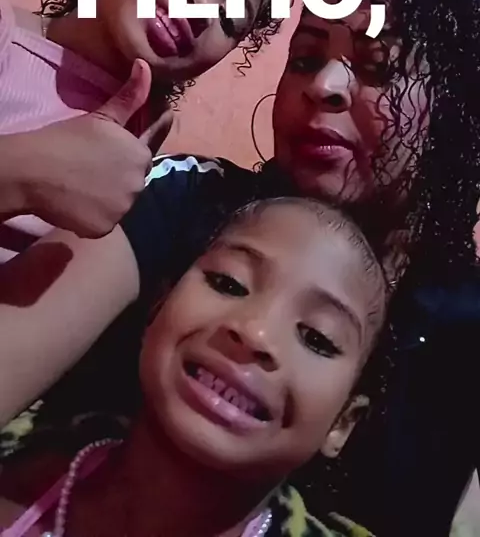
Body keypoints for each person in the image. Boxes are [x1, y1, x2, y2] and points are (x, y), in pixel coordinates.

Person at [1, 0, 479, 536]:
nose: (323, 85)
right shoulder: (185, 198)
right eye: (304, 59)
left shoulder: (466, 326)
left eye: (378, 68)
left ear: (456, 117)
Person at [0, 197, 388, 536]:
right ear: (158, 308)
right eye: (229, 283)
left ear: (343, 423)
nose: (255, 332)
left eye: (316, 337)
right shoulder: (17, 466)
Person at [0, 0, 279, 258]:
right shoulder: (8, 36)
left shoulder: (145, 154)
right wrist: (28, 171)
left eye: (229, 19)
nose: (201, 6)